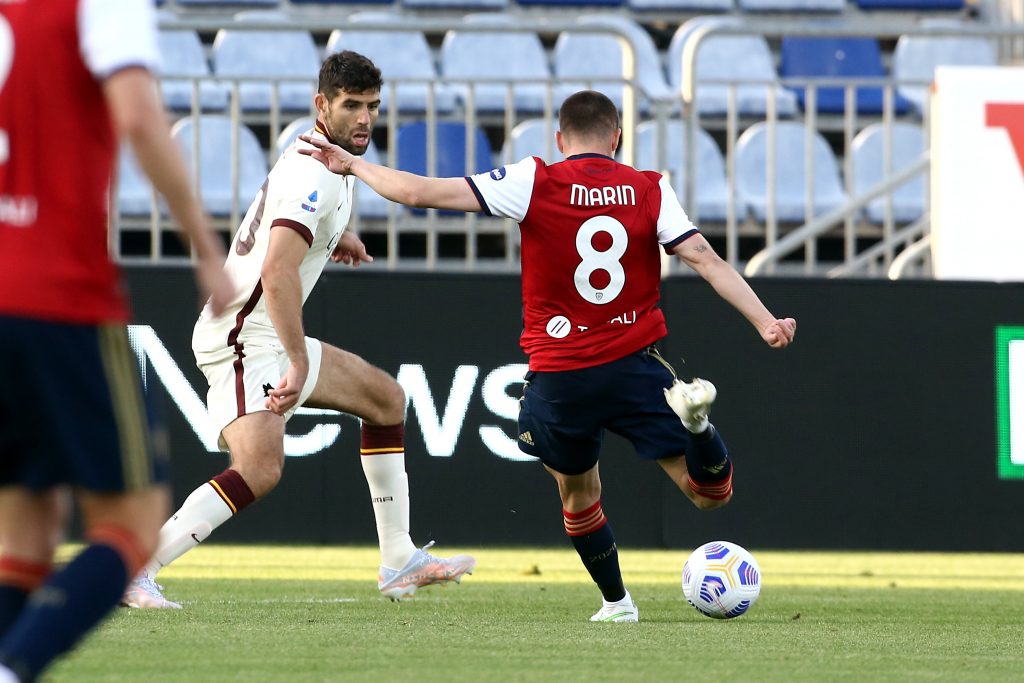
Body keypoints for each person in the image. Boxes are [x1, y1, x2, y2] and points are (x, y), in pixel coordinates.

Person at [298, 90, 797, 623]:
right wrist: (766, 319)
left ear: (560, 140)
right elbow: (703, 256)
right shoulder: (650, 188)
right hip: (634, 366)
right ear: (617, 139)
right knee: (709, 495)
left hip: (561, 376)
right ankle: (698, 428)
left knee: (579, 495)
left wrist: (352, 164)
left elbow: (422, 193)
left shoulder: (534, 179)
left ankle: (617, 602)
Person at [123, 50, 476, 610]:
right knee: (259, 470)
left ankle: (399, 560)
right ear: (322, 105)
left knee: (388, 401)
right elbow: (277, 267)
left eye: (373, 107)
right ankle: (136, 570)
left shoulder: (322, 155)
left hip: (261, 327)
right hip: (245, 333)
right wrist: (300, 361)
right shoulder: (315, 170)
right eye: (352, 105)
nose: (365, 118)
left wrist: (340, 235)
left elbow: (293, 225)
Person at [0, 0, 236, 680]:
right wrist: (203, 241)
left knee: (26, 528)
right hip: (58, 294)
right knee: (132, 526)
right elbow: (136, 113)